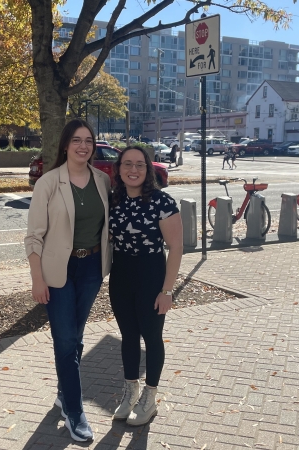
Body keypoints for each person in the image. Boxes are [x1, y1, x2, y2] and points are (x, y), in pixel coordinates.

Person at [24, 118, 111, 442]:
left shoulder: (102, 180)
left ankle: (64, 391)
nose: (83, 146)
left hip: (91, 269)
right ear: (65, 145)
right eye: (77, 140)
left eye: (88, 140)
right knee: (65, 340)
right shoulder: (48, 183)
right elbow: (34, 237)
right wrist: (37, 280)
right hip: (57, 270)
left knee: (76, 335)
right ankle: (74, 411)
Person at [108, 146, 183, 426]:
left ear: (148, 169)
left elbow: (176, 247)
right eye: (127, 164)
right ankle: (131, 393)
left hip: (151, 275)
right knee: (128, 336)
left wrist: (167, 291)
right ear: (119, 169)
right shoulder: (113, 199)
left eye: (140, 164)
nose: (133, 169)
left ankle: (149, 398)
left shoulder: (162, 202)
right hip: (121, 275)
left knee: (151, 337)